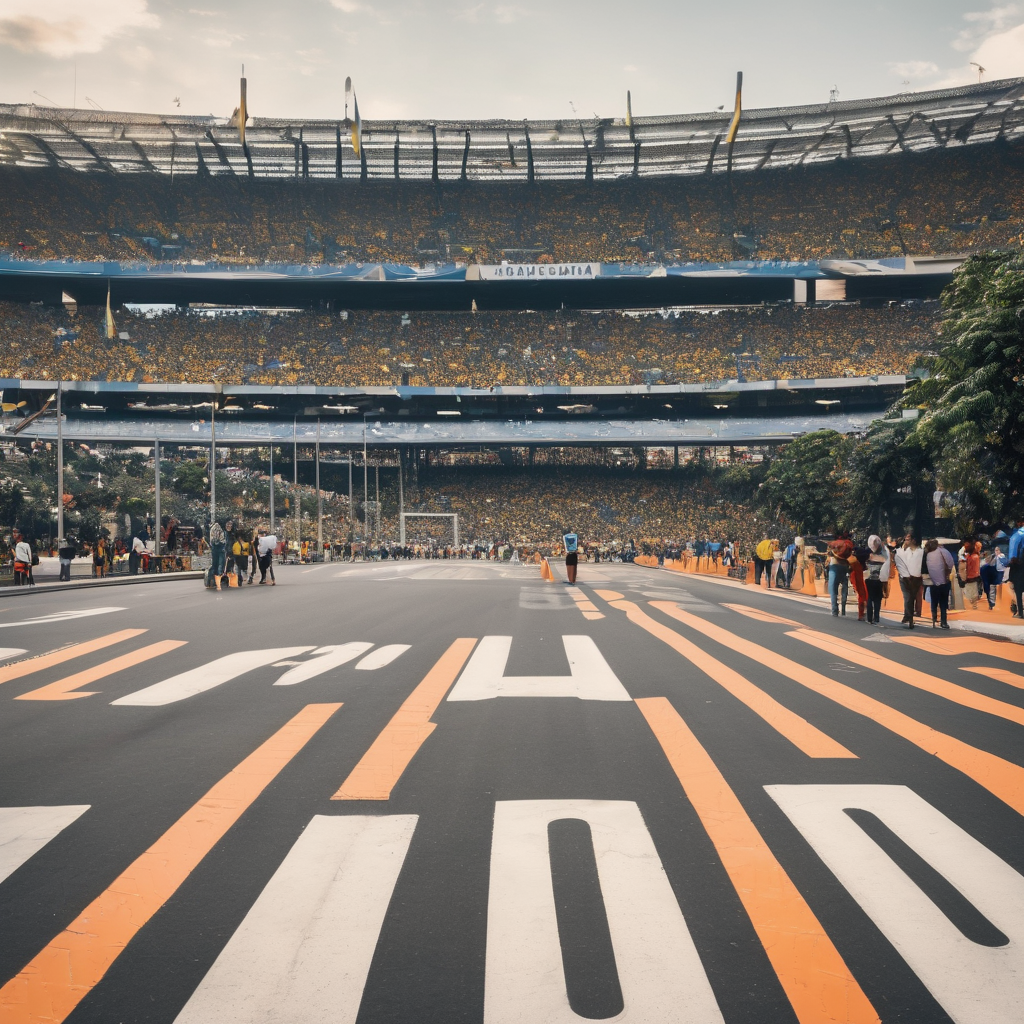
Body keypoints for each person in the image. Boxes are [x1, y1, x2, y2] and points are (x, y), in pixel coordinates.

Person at [894, 532, 924, 629]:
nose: (906, 541)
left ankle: (908, 616)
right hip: (904, 578)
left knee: (912, 597)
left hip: (916, 578)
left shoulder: (920, 552)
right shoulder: (902, 551)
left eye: (908, 540)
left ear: (913, 541)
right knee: (907, 597)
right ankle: (909, 618)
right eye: (905, 540)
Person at [924, 538, 955, 629]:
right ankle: (943, 621)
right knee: (943, 602)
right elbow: (950, 563)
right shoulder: (943, 551)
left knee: (934, 601)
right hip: (944, 580)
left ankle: (934, 619)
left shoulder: (927, 554)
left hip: (932, 581)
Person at [864, 535, 890, 625]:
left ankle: (869, 618)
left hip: (868, 579)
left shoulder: (867, 554)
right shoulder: (884, 555)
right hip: (879, 580)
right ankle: (876, 618)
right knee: (877, 599)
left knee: (869, 599)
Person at [826, 532, 854, 616]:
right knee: (844, 588)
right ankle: (843, 610)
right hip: (844, 567)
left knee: (833, 589)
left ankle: (835, 609)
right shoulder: (846, 547)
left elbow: (829, 556)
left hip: (834, 566)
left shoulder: (834, 546)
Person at [849, 540, 869, 621]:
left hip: (857, 579)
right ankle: (864, 613)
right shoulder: (865, 567)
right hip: (864, 579)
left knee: (861, 596)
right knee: (865, 596)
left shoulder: (854, 566)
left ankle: (862, 614)